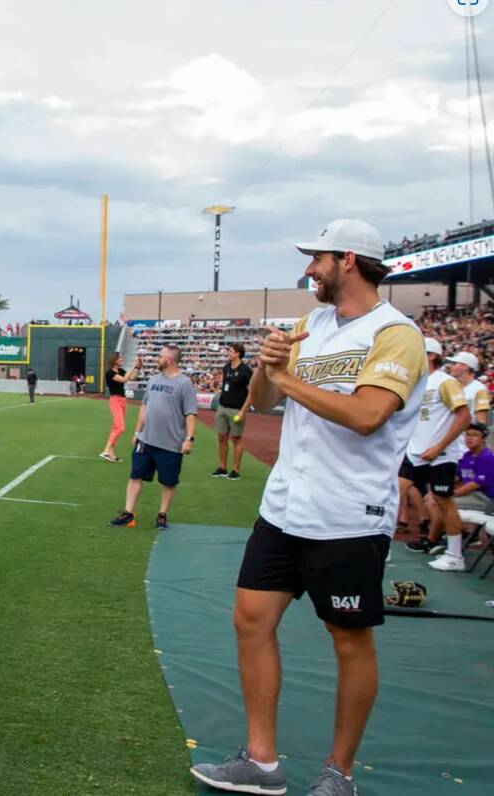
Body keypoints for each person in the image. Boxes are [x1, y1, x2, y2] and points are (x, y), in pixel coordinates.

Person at [190, 218, 426, 796]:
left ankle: (337, 773)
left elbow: (368, 415)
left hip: (348, 515)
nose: (307, 270)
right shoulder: (311, 324)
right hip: (284, 509)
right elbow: (266, 402)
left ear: (347, 259)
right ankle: (261, 762)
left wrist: (285, 379)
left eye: (315, 259)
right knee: (250, 620)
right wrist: (271, 369)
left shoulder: (395, 334)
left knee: (348, 640)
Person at [107, 344, 196, 531]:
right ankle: (128, 513)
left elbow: (190, 413)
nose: (157, 358)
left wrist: (189, 438)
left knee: (168, 482)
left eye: (160, 356)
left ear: (170, 360)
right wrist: (137, 432)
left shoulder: (184, 384)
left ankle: (162, 515)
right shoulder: (153, 379)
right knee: (135, 475)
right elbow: (144, 407)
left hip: (171, 444)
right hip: (146, 440)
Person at [401, 338, 471, 572]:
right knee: (394, 491)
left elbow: (464, 418)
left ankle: (455, 555)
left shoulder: (445, 382)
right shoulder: (415, 383)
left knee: (443, 500)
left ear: (431, 355)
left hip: (440, 454)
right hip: (415, 451)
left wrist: (439, 447)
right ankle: (379, 547)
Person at [211, 343, 252, 480]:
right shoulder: (226, 367)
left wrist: (243, 411)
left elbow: (251, 392)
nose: (228, 353)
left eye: (230, 351)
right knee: (221, 437)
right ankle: (222, 467)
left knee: (236, 439)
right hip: (222, 406)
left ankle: (235, 470)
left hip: (236, 409)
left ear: (237, 353)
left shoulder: (246, 370)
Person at [100, 352, 141, 462]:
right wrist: (133, 366)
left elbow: (132, 378)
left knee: (115, 428)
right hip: (115, 400)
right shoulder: (109, 373)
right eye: (120, 358)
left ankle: (110, 453)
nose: (122, 359)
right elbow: (124, 380)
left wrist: (137, 368)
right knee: (120, 427)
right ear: (114, 360)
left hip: (122, 400)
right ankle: (106, 450)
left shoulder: (121, 371)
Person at [454, 422, 494, 515]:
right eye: (467, 435)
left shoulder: (487, 457)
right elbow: (457, 477)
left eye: (475, 435)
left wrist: (452, 493)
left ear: (483, 439)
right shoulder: (467, 455)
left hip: (486, 498)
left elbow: (476, 484)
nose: (469, 438)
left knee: (445, 503)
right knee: (436, 498)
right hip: (471, 494)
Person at [445, 351, 489, 424]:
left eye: (454, 363)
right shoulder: (451, 386)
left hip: (467, 433)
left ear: (466, 366)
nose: (450, 366)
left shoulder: (479, 389)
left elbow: (481, 421)